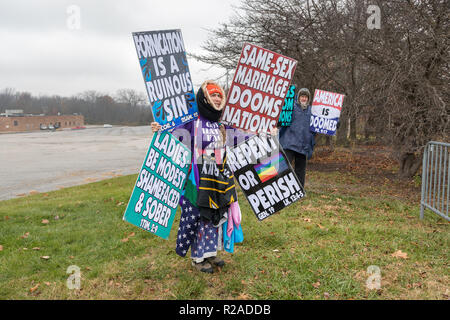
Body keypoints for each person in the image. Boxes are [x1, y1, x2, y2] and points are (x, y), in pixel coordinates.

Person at [151, 80, 245, 273]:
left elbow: (242, 137)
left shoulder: (221, 123)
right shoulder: (194, 120)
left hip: (218, 179)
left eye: (219, 95)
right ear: (204, 97)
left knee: (216, 217)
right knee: (199, 218)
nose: (217, 98)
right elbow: (173, 133)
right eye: (213, 95)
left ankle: (211, 253)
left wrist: (268, 133)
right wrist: (158, 128)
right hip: (198, 179)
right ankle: (198, 258)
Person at [276, 87, 316, 189]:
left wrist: (335, 124)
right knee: (283, 168)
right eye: (302, 96)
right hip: (288, 143)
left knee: (300, 170)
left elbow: (323, 122)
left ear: (308, 99)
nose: (304, 98)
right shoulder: (291, 107)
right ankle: (280, 189)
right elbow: (279, 117)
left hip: (303, 146)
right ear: (298, 97)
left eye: (306, 97)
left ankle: (299, 190)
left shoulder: (312, 111)